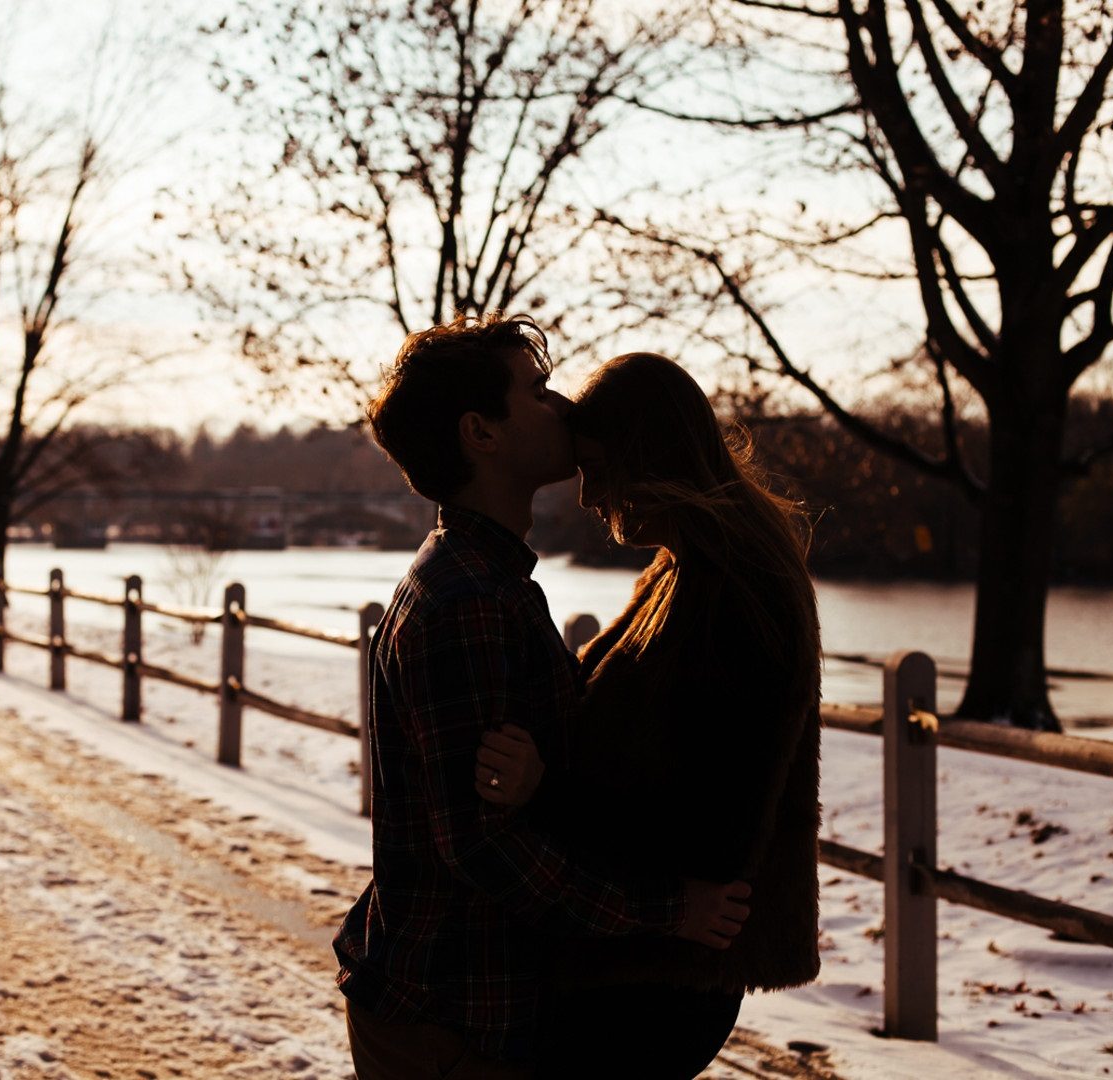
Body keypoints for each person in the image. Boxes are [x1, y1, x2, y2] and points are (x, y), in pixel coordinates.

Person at [335, 317, 753, 1080]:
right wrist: (671, 911)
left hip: (459, 1006)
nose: (560, 405)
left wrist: (549, 777)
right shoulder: (469, 601)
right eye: (534, 391)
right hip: (452, 1019)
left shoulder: (487, 580)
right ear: (480, 434)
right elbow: (486, 848)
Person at [477, 351, 824, 1079]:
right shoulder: (689, 569)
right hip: (647, 965)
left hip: (660, 979)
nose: (589, 496)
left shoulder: (737, 594)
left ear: (654, 459)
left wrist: (547, 787)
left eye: (601, 469)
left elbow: (714, 822)